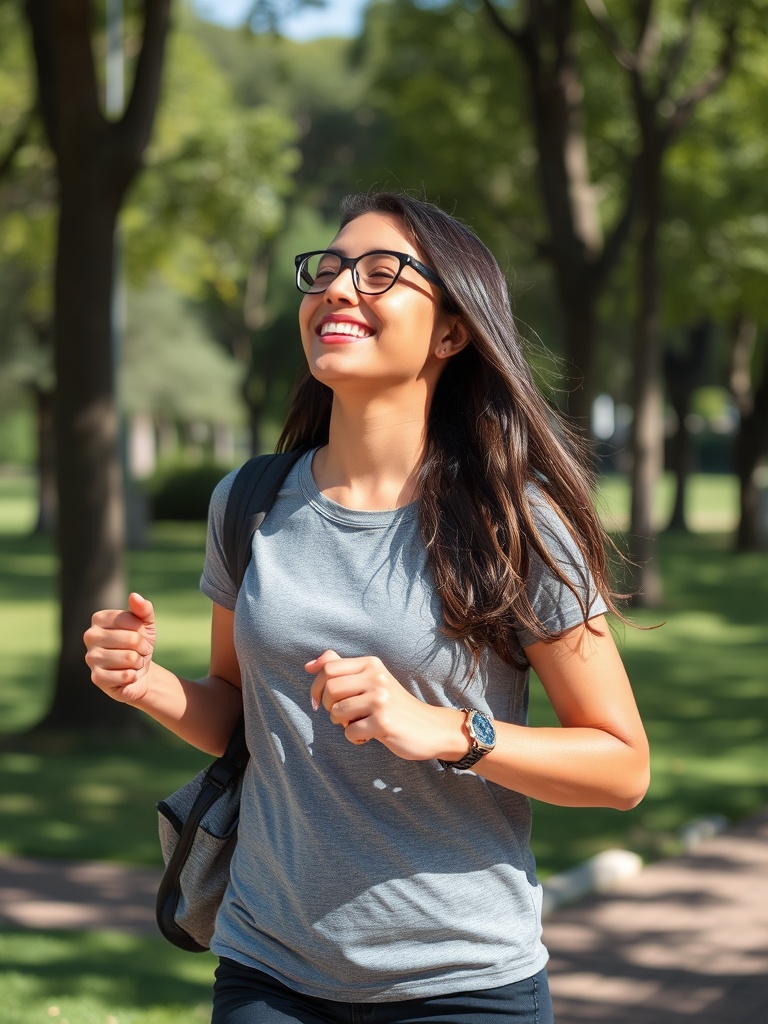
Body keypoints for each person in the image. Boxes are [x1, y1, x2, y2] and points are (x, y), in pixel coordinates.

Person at [84, 191, 650, 1024]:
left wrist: (450, 732)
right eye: (330, 269)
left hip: (461, 984)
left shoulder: (513, 523)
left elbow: (623, 766)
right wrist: (147, 686)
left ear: (452, 332)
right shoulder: (249, 501)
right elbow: (239, 716)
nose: (340, 289)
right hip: (269, 968)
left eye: (382, 273)